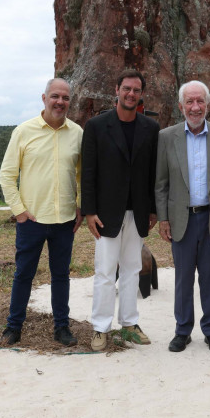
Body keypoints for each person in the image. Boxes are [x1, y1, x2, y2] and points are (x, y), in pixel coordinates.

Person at [0, 78, 83, 347]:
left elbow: (82, 175)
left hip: (65, 220)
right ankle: (14, 327)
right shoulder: (23, 132)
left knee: (61, 277)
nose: (60, 102)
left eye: (66, 98)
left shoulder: (78, 133)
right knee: (24, 274)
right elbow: (7, 175)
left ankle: (62, 328)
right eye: (55, 96)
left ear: (70, 101)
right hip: (32, 220)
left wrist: (81, 207)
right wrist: (20, 212)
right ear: (44, 98)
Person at [81, 69, 160, 351]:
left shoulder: (150, 128)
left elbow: (153, 174)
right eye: (126, 88)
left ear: (141, 94)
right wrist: (89, 211)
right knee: (105, 272)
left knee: (132, 269)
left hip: (137, 212)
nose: (131, 94)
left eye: (136, 90)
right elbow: (88, 173)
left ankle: (129, 324)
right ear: (116, 90)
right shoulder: (97, 126)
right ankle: (101, 327)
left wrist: (153, 210)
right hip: (106, 213)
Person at [154, 80, 210, 354]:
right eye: (189, 102)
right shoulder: (167, 137)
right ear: (181, 106)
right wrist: (163, 218)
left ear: (208, 105)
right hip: (181, 219)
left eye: (200, 101)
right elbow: (161, 184)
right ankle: (182, 331)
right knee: (183, 278)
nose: (195, 107)